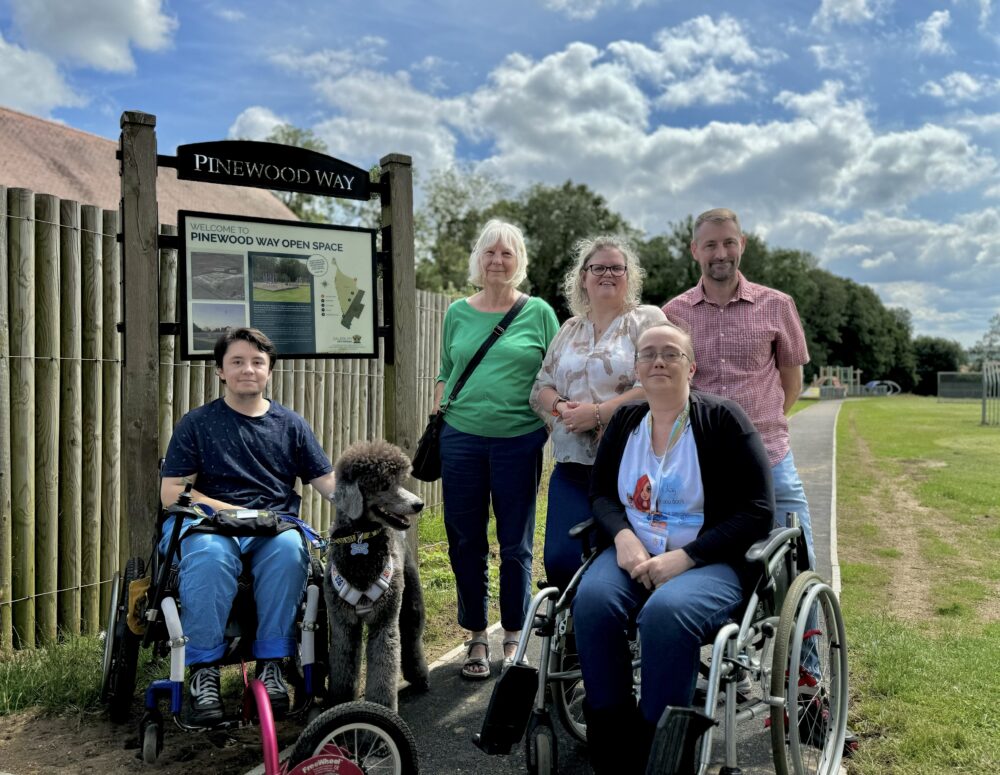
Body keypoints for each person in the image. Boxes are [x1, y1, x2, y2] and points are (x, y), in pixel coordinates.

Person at [573, 320, 773, 774]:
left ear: (692, 367)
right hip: (635, 553)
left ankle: (662, 754)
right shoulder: (626, 421)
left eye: (671, 353)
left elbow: (759, 510)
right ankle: (612, 740)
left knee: (665, 613)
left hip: (710, 561)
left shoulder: (723, 420)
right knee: (592, 601)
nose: (658, 360)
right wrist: (623, 537)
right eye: (648, 353)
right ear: (637, 367)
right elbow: (601, 494)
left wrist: (685, 558)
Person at [159, 327, 336, 724]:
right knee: (207, 559)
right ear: (220, 370)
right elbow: (171, 494)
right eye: (237, 362)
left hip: (272, 529)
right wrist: (228, 510)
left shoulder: (290, 425)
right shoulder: (197, 423)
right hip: (209, 527)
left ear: (269, 370)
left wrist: (368, 500)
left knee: (291, 554)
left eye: (257, 362)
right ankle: (202, 672)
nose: (247, 370)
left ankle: (273, 665)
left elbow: (328, 483)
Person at [434, 219, 559, 680]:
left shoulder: (540, 312)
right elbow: (446, 369)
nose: (498, 261)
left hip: (518, 440)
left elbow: (554, 374)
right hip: (461, 439)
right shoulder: (457, 312)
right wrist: (441, 409)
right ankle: (475, 637)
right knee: (465, 540)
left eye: (507, 253)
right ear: (478, 260)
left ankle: (513, 635)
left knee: (516, 544)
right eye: (490, 252)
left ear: (519, 261)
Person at [662, 208, 816, 568]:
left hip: (769, 454)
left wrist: (756, 428)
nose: (721, 254)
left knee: (798, 554)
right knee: (711, 555)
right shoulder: (674, 313)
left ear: (742, 245)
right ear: (694, 250)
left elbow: (791, 382)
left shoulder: (778, 305)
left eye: (729, 243)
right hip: (700, 458)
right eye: (710, 245)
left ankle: (809, 626)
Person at [530, 235, 665, 591]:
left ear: (629, 275)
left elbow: (657, 381)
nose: (608, 274)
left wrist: (600, 413)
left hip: (631, 468)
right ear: (583, 277)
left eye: (616, 267)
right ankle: (571, 636)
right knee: (560, 559)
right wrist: (561, 407)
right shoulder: (569, 328)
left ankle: (616, 631)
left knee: (620, 562)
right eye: (598, 267)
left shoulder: (646, 320)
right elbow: (540, 386)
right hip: (573, 468)